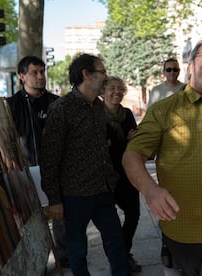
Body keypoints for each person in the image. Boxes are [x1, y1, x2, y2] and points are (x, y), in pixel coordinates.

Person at [122, 36, 202, 275]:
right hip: (184, 228)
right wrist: (150, 190)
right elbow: (132, 155)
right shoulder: (164, 110)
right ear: (191, 66)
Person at [39, 53, 129, 276]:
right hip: (75, 196)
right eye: (102, 72)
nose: (106, 77)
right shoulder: (61, 109)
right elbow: (49, 158)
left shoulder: (98, 107)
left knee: (116, 243)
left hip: (103, 190)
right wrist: (54, 199)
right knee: (77, 251)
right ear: (86, 74)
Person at [6, 56, 69, 267]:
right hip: (24, 174)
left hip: (56, 172)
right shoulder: (10, 106)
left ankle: (65, 257)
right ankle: (38, 263)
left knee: (60, 217)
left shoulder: (57, 102)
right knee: (30, 222)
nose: (40, 76)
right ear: (22, 75)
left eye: (42, 72)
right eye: (35, 72)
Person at [103, 76, 142, 273]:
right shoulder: (96, 115)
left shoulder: (126, 114)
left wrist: (117, 144)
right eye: (111, 88)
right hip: (105, 178)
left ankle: (124, 253)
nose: (116, 92)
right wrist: (123, 142)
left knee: (133, 215)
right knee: (110, 223)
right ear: (103, 91)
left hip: (128, 174)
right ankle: (116, 259)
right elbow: (100, 149)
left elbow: (135, 142)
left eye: (120, 88)